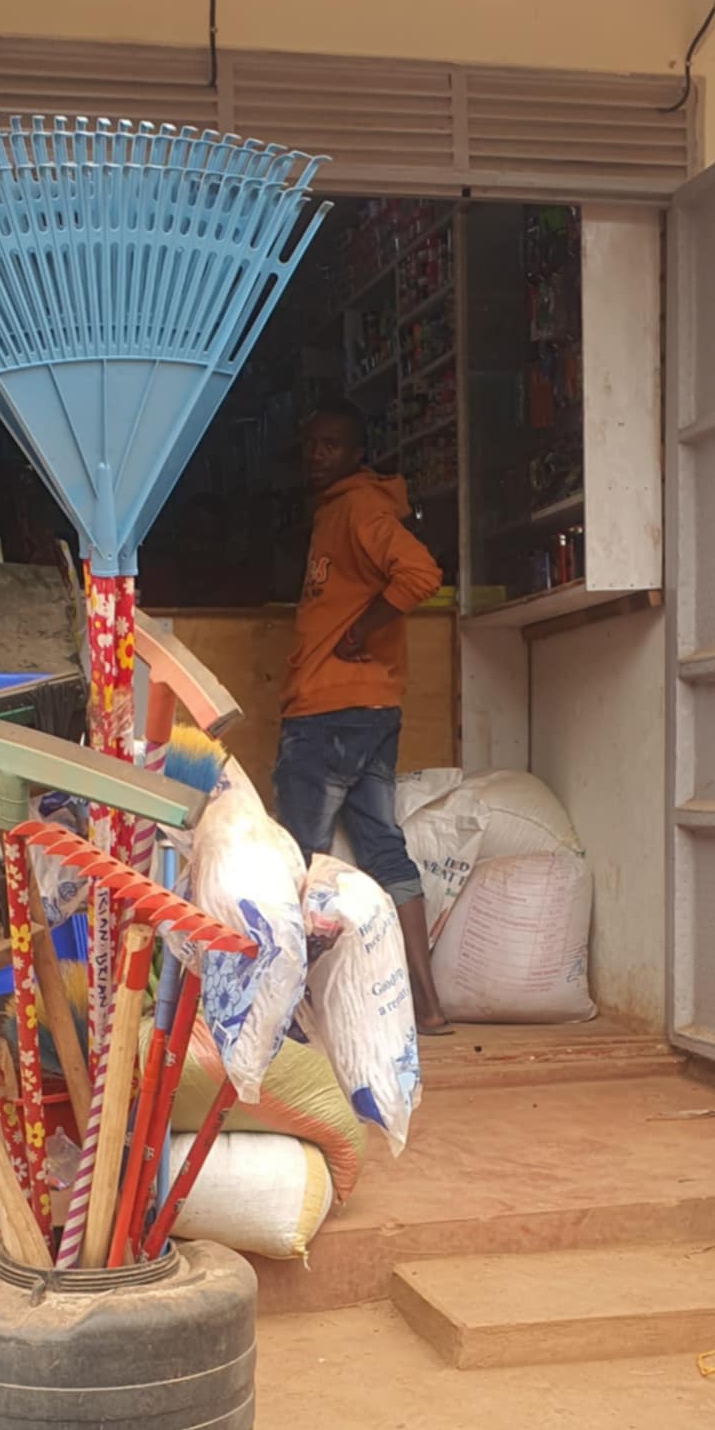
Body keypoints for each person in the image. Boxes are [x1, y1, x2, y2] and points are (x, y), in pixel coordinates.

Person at [274, 401, 453, 1034]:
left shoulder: (359, 508)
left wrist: (361, 630)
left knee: (299, 861)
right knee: (383, 849)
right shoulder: (337, 511)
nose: (316, 454)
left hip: (329, 713)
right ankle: (427, 1007)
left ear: (357, 454)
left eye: (331, 444)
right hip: (371, 711)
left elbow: (421, 573)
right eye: (310, 443)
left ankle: (291, 1015)